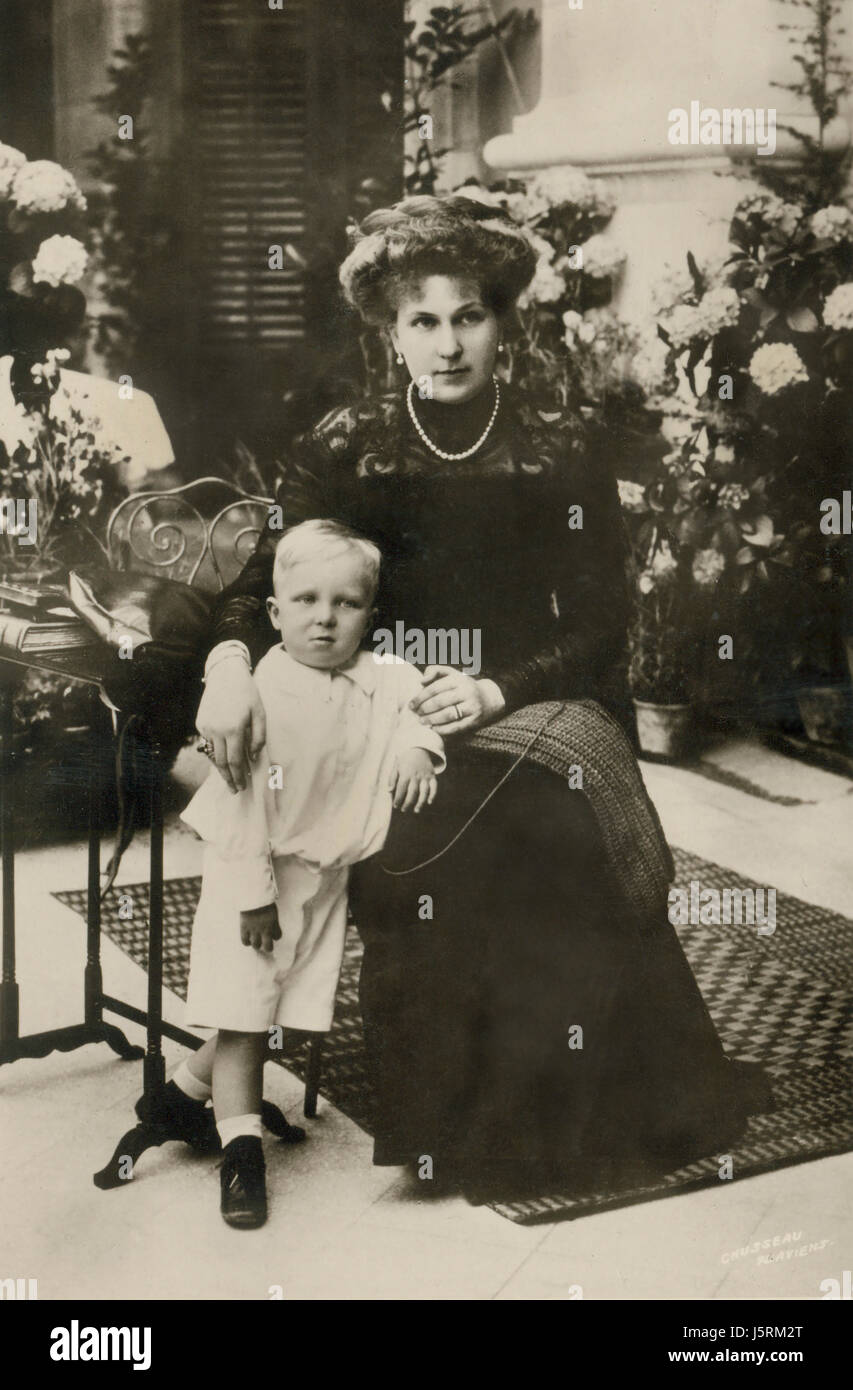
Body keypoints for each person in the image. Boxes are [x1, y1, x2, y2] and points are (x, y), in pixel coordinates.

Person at [196, 194, 771, 1201]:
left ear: (505, 323)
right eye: (424, 319)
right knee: (422, 829)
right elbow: (260, 585)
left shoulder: (558, 444)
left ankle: (568, 1120)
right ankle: (443, 1126)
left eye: (469, 316)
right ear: (391, 329)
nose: (448, 342)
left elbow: (599, 621)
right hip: (376, 708)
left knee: (546, 824)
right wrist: (231, 669)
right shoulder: (349, 446)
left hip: (530, 701)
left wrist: (498, 684)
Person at [175, 519, 444, 1227]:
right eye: (305, 601)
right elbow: (238, 811)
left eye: (345, 603)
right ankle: (241, 1157)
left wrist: (416, 748)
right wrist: (256, 898)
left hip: (326, 880)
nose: (324, 618)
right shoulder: (262, 690)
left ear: (370, 614)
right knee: (243, 1016)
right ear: (274, 612)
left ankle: (178, 1095)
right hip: (256, 878)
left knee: (272, 1011)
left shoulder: (383, 678)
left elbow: (419, 709)